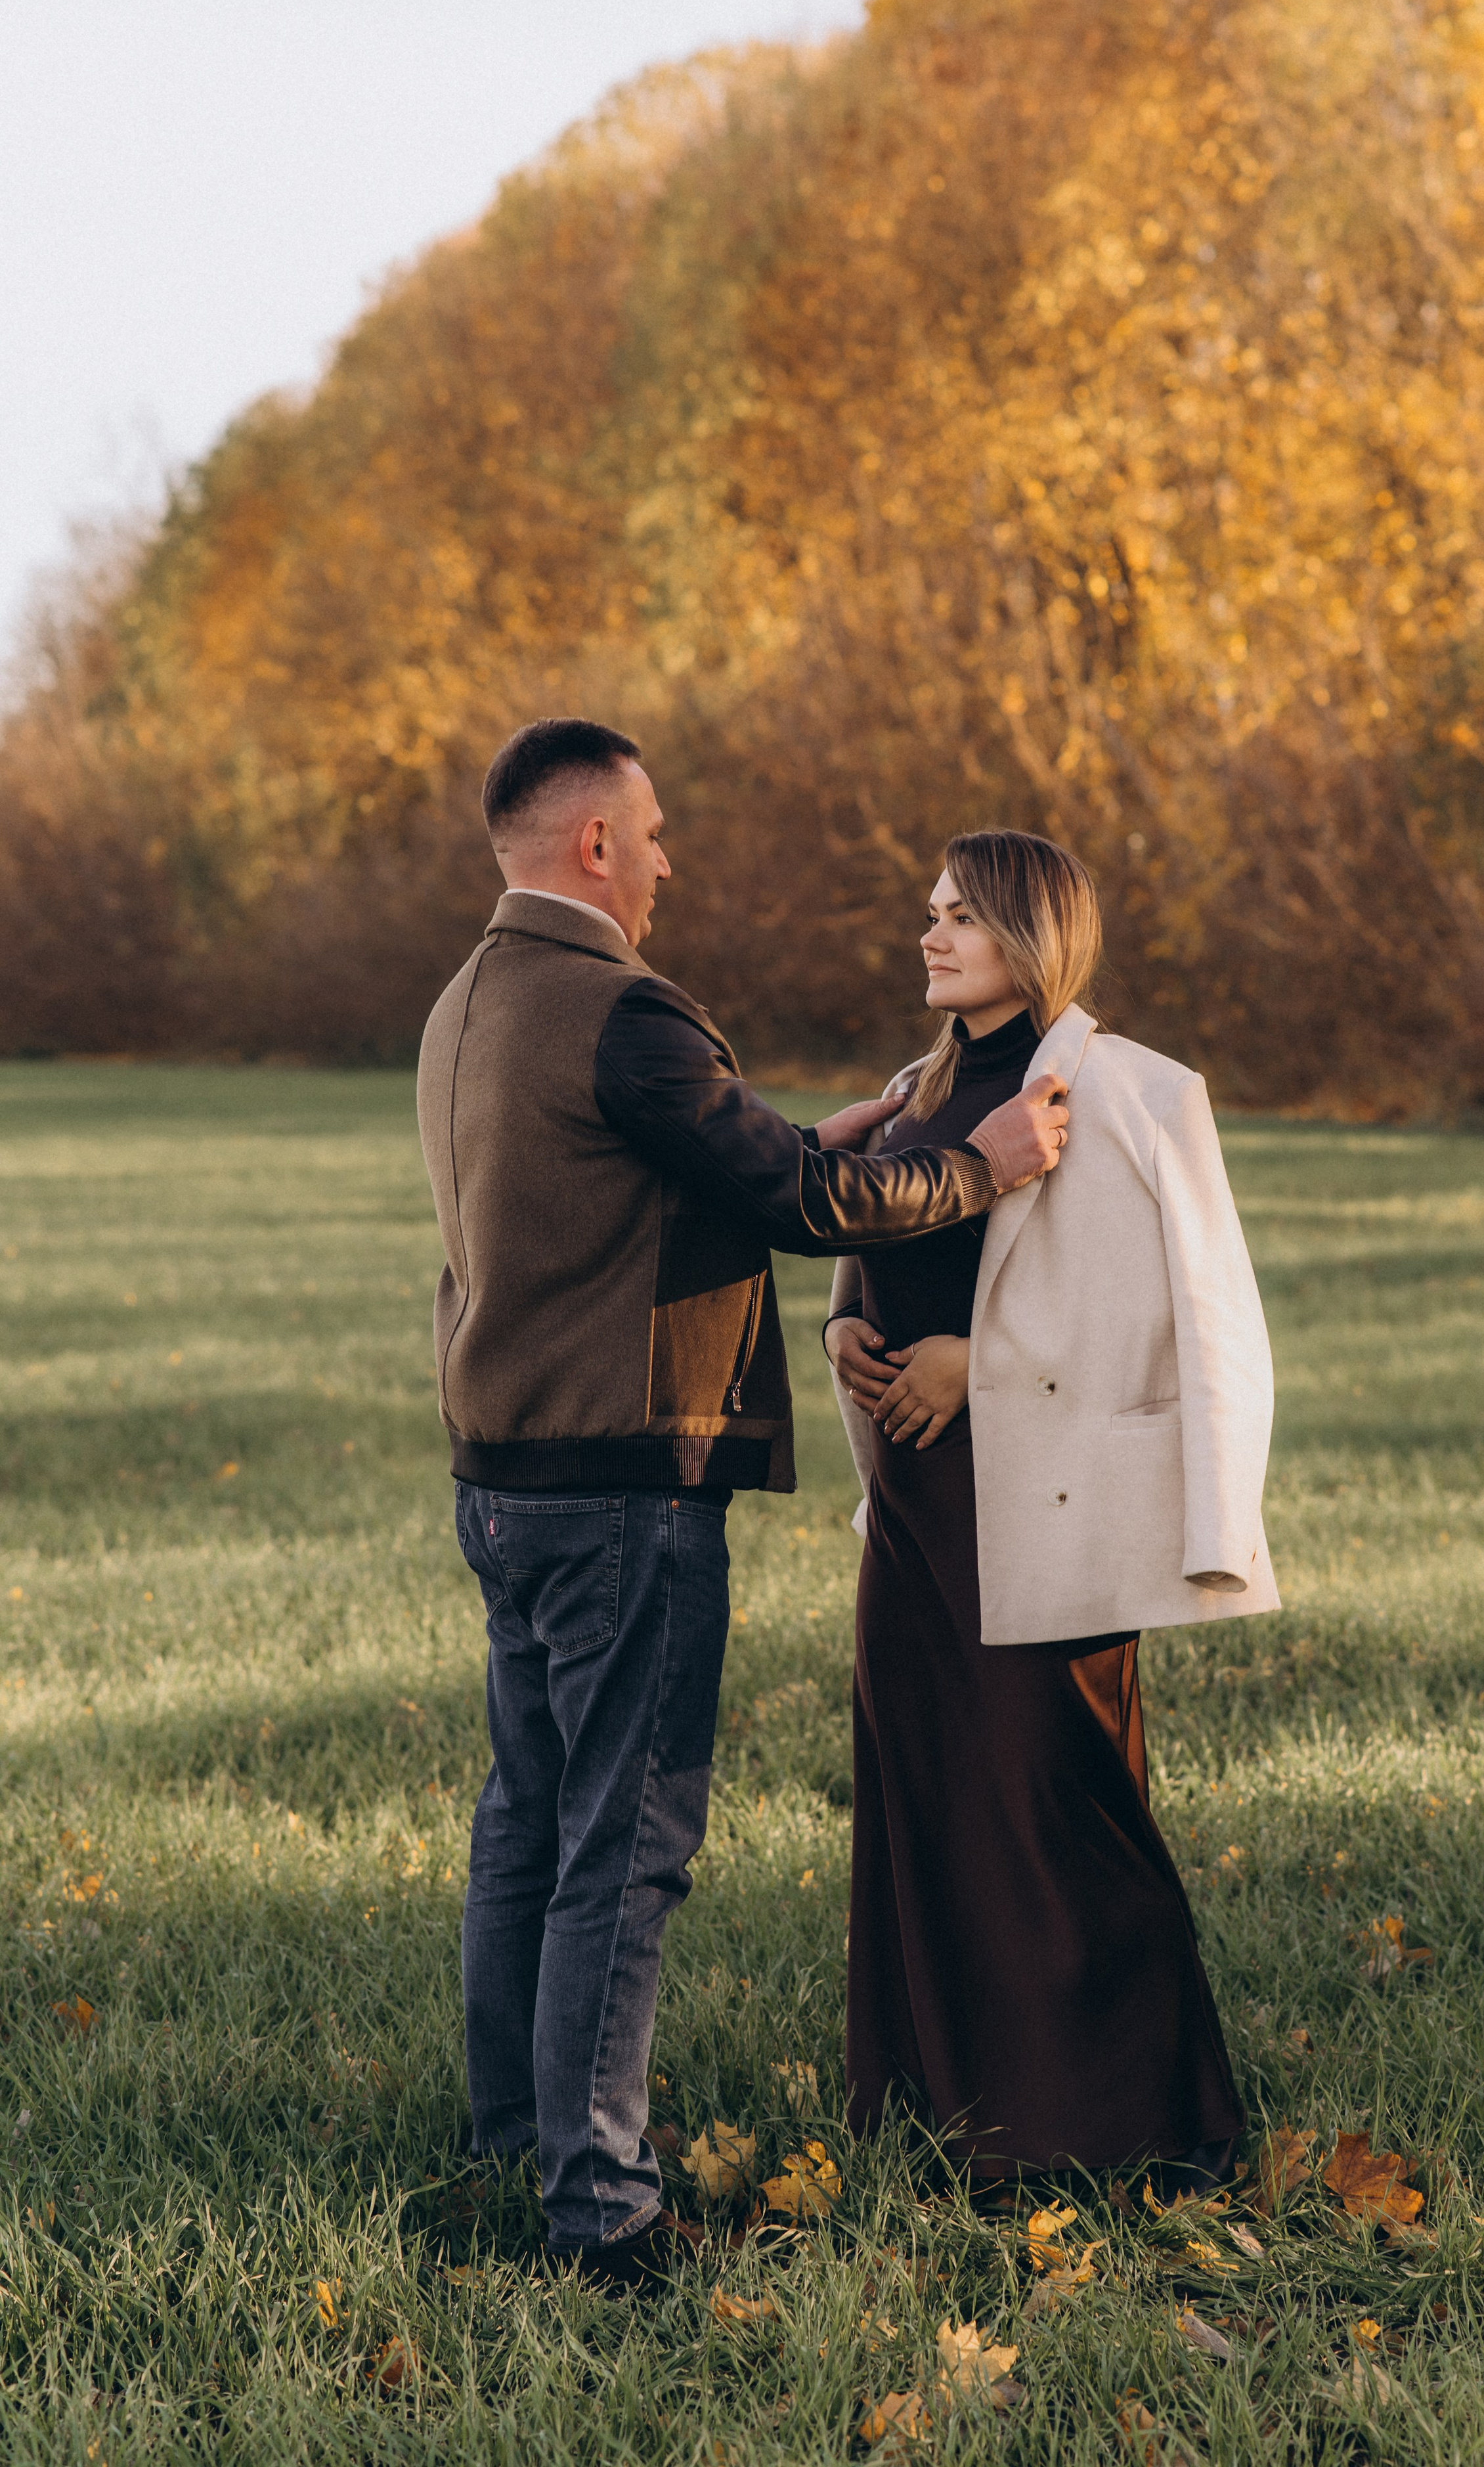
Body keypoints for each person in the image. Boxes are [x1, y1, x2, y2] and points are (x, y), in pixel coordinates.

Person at [415, 722, 1069, 2288]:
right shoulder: (621, 1007)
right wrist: (979, 1161)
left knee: (526, 1822)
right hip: (621, 1491)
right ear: (591, 844)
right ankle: (602, 2212)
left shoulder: (468, 1001)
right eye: (648, 833)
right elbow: (804, 1206)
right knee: (623, 1844)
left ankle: (514, 2136)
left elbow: (647, 1172)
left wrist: (803, 1135)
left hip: (502, 1481)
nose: (663, 861)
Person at [825, 830, 1278, 2189]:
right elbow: (875, 1248)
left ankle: (1154, 2124)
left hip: (1045, 1502)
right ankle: (955, 2119)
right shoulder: (908, 1094)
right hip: (915, 1508)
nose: (931, 932)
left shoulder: (1140, 1093)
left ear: (1031, 934)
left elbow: (1196, 1320)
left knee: (1059, 1805)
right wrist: (842, 1330)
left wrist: (981, 1368)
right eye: (930, 911)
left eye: (961, 914)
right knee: (925, 1799)